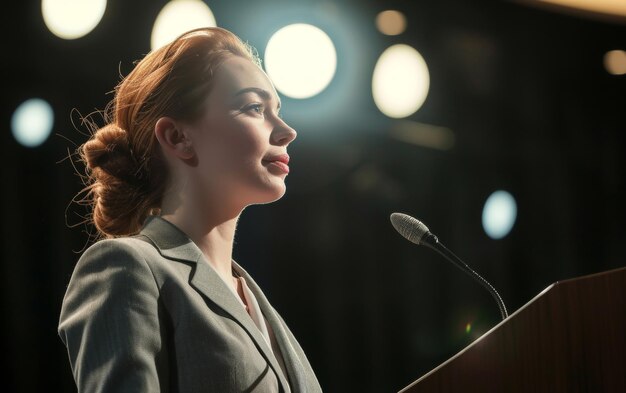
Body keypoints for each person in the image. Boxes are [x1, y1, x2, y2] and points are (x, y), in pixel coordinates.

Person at [58, 26, 323, 393]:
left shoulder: (257, 302)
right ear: (177, 137)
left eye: (277, 110)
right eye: (254, 108)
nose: (286, 130)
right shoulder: (127, 268)